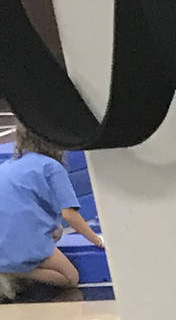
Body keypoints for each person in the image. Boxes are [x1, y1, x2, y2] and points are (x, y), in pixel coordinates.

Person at [0, 126, 102, 301]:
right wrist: (97, 240)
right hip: (19, 238)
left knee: (58, 230)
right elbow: (69, 214)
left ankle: (15, 264)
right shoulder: (51, 167)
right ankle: (17, 271)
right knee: (70, 278)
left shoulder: (8, 164)